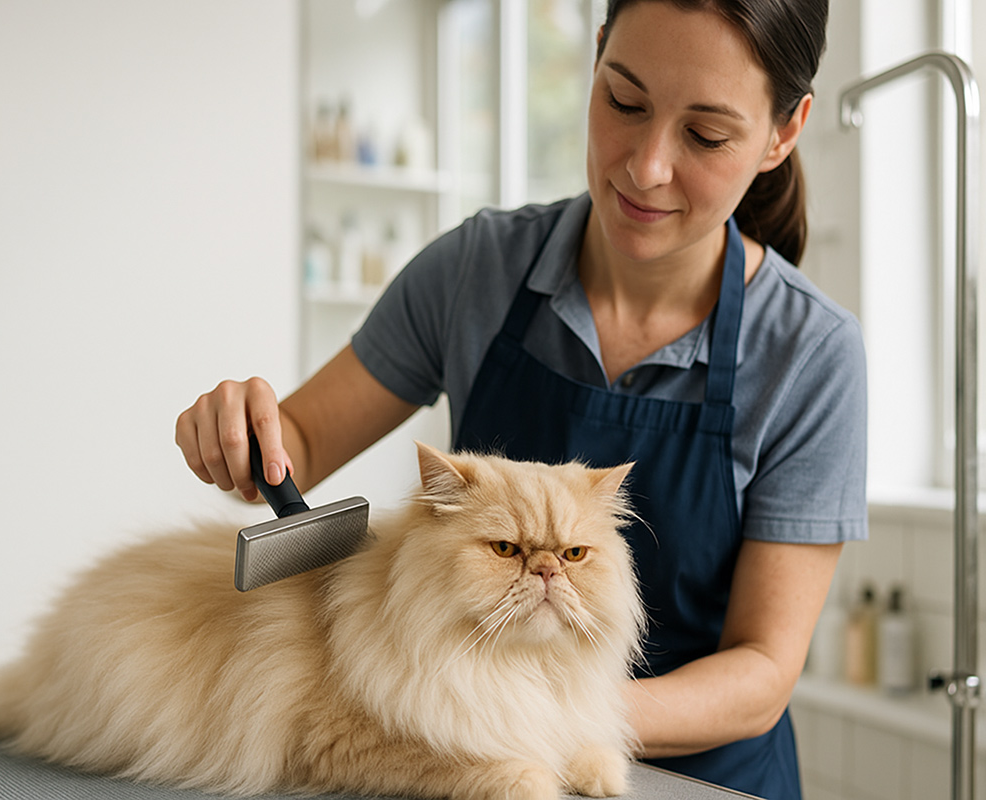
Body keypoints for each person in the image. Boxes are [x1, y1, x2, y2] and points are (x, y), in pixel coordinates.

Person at [176, 1, 865, 798]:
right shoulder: (478, 268)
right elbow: (295, 440)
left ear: (784, 131)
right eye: (625, 102)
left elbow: (762, 671)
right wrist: (242, 429)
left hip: (700, 777)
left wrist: (548, 718)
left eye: (705, 135)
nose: (645, 166)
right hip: (469, 757)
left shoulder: (811, 356)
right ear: (596, 56)